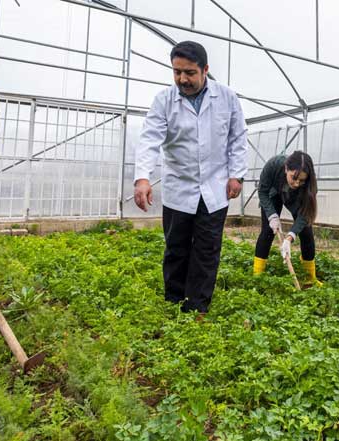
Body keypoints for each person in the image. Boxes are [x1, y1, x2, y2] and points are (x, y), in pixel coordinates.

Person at [133, 41, 247, 315]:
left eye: (189, 72)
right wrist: (142, 178)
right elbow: (150, 139)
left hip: (214, 187)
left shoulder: (227, 97)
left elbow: (238, 137)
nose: (182, 79)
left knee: (207, 251)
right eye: (177, 72)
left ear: (205, 70)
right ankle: (174, 302)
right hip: (178, 188)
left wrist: (236, 175)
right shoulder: (164, 100)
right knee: (176, 248)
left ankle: (197, 308)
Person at [252, 151, 322, 287]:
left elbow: (305, 214)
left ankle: (310, 278)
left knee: (306, 231)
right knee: (267, 231)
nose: (296, 183)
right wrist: (272, 215)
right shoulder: (273, 165)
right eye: (293, 177)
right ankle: (257, 276)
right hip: (273, 193)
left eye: (301, 180)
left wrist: (290, 237)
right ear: (286, 169)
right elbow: (262, 191)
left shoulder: (309, 186)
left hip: (296, 198)